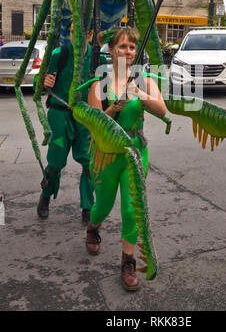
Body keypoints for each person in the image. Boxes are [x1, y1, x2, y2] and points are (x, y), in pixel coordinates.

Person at [86, 28, 167, 291]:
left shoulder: (143, 80)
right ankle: (93, 226)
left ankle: (127, 261)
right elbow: (95, 124)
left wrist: (139, 94)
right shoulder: (99, 84)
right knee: (104, 205)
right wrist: (112, 108)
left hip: (134, 153)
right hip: (106, 154)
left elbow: (162, 109)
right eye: (121, 46)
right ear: (110, 50)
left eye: (132, 47)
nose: (127, 51)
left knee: (132, 210)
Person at [37, 22, 95, 223]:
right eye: (71, 33)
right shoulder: (58, 54)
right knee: (55, 162)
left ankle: (88, 207)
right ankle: (45, 197)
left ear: (90, 34)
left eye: (79, 34)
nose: (74, 38)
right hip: (59, 115)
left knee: (89, 163)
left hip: (85, 119)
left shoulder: (97, 59)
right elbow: (41, 85)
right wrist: (45, 82)